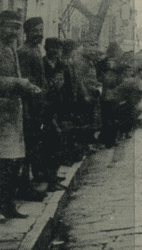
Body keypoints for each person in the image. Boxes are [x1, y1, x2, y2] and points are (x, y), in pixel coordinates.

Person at [0, 10, 42, 218]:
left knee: (12, 161)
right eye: (11, 26)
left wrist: (27, 88)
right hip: (1, 114)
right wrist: (19, 83)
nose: (15, 31)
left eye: (17, 27)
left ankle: (7, 205)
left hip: (11, 112)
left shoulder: (11, 49)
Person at [17, 16, 48, 201]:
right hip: (28, 105)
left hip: (37, 104)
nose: (39, 34)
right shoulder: (24, 52)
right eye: (35, 30)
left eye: (41, 30)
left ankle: (28, 183)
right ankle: (23, 186)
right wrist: (28, 109)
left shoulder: (36, 50)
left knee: (33, 144)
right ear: (27, 32)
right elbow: (26, 83)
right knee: (26, 147)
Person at [42, 37, 70, 191]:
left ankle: (53, 174)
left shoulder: (62, 65)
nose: (55, 51)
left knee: (59, 143)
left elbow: (67, 88)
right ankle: (50, 179)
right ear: (46, 48)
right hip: (46, 108)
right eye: (52, 47)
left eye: (58, 48)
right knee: (50, 143)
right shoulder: (42, 63)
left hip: (59, 107)